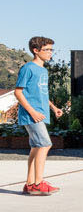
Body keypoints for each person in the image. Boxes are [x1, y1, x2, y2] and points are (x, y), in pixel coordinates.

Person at [14, 36, 64, 195]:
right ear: (36, 51)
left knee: (36, 147)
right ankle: (37, 184)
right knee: (45, 144)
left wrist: (53, 107)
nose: (50, 53)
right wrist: (32, 111)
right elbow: (18, 92)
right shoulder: (28, 68)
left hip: (40, 114)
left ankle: (30, 184)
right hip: (31, 115)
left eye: (51, 49)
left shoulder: (43, 70)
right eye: (47, 50)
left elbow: (41, 93)